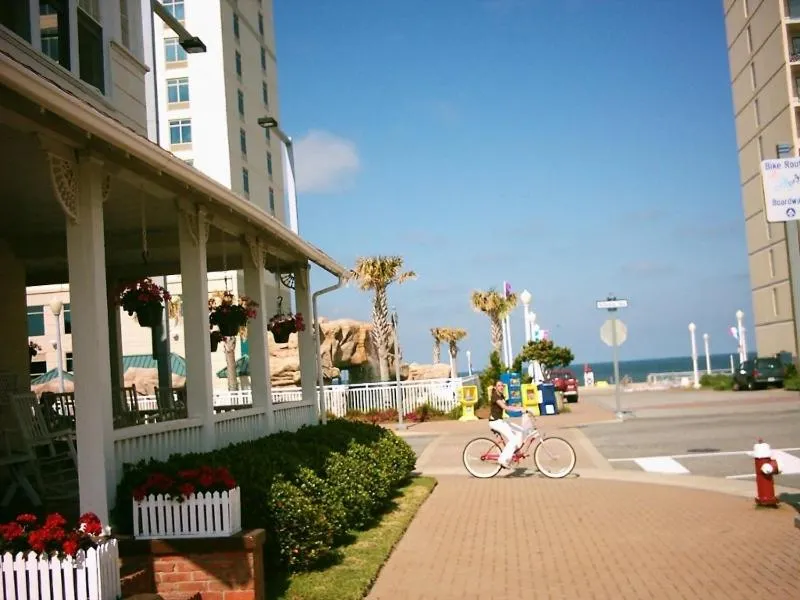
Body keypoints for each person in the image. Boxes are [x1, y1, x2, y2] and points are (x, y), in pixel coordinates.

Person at [488, 380, 525, 469]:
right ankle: (503, 459)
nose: (501, 387)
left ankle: (515, 452)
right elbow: (504, 407)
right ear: (495, 388)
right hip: (495, 422)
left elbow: (509, 408)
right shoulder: (495, 396)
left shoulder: (502, 396)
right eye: (499, 386)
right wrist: (520, 409)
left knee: (520, 431)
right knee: (513, 439)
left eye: (502, 386)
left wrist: (522, 408)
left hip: (500, 420)